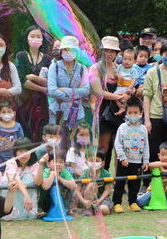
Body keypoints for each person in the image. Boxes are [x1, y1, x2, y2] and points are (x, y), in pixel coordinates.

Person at [47, 35, 90, 152]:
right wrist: (75, 93)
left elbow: (86, 90)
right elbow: (52, 90)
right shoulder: (54, 67)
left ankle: (74, 168)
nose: (69, 52)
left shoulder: (82, 68)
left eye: (72, 50)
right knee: (56, 145)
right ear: (61, 51)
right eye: (66, 49)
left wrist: (65, 90)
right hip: (58, 112)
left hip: (77, 113)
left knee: (76, 146)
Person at [14, 25, 52, 142]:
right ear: (27, 38)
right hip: (23, 101)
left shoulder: (47, 59)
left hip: (41, 103)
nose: (35, 39)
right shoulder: (21, 56)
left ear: (42, 40)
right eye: (32, 36)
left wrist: (32, 77)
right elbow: (21, 81)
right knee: (25, 129)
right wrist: (41, 87)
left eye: (38, 36)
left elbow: (50, 81)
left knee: (40, 129)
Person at [92, 36, 124, 169]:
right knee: (103, 147)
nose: (109, 54)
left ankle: (118, 182)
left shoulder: (120, 69)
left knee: (119, 148)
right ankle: (101, 179)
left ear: (117, 54)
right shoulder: (95, 68)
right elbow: (98, 92)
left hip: (119, 111)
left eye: (112, 51)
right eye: (106, 50)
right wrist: (118, 97)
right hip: (103, 111)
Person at [113, 97, 149, 213]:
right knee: (120, 182)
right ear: (126, 113)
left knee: (135, 183)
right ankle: (117, 203)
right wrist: (122, 157)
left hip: (137, 161)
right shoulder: (122, 128)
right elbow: (117, 144)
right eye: (130, 112)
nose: (132, 115)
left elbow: (146, 145)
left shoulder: (143, 129)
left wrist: (146, 161)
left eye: (135, 112)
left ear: (141, 113)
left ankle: (132, 202)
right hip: (124, 161)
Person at [137, 142, 167, 210]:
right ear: (159, 156)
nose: (165, 157)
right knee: (139, 203)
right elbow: (149, 165)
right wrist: (164, 165)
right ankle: (142, 197)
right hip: (153, 191)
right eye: (162, 155)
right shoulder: (158, 164)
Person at [2, 137, 39, 221]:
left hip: (28, 195)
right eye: (20, 151)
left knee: (29, 178)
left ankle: (29, 212)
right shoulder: (11, 162)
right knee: (12, 183)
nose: (23, 154)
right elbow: (16, 179)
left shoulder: (35, 165)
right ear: (15, 152)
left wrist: (41, 165)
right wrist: (26, 195)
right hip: (11, 194)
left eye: (26, 151)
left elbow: (38, 182)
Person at [35, 150, 77, 214]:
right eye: (55, 161)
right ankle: (41, 208)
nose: (58, 164)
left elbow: (73, 185)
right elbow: (45, 186)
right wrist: (52, 175)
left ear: (64, 164)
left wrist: (59, 178)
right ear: (48, 164)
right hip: (47, 201)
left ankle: (66, 207)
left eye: (61, 162)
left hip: (61, 200)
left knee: (67, 187)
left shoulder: (64, 172)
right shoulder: (46, 171)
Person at [75, 149, 112, 216]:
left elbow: (107, 189)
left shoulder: (106, 174)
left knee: (104, 209)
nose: (94, 163)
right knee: (91, 184)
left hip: (102, 198)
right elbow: (77, 190)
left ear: (102, 163)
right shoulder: (84, 174)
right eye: (91, 161)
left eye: (97, 161)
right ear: (86, 162)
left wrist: (99, 200)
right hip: (89, 197)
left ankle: (94, 210)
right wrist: (83, 201)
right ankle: (89, 208)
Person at [0, 100, 24, 169]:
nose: (6, 114)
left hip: (14, 155)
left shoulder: (18, 126)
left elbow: (21, 140)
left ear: (14, 113)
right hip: (0, 155)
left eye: (9, 112)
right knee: (1, 170)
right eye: (3, 112)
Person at [113, 48, 139, 115]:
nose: (127, 61)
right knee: (115, 96)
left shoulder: (133, 70)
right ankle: (121, 107)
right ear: (122, 59)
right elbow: (115, 73)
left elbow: (134, 79)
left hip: (128, 87)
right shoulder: (120, 67)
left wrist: (130, 88)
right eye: (125, 59)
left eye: (130, 60)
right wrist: (118, 75)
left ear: (134, 61)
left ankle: (125, 107)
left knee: (126, 98)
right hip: (120, 87)